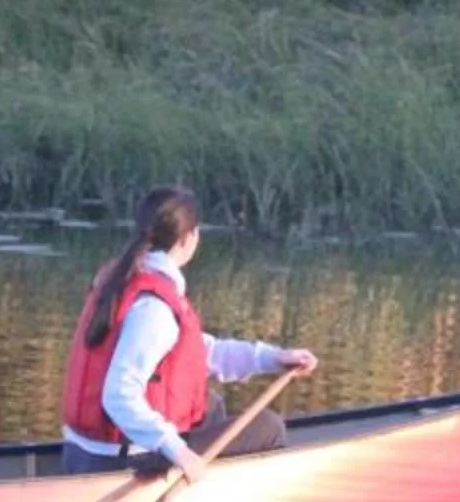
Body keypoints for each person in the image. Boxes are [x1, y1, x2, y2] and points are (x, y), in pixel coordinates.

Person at [60, 185, 316, 479]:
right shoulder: (153, 309)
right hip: (116, 462)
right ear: (188, 238)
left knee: (210, 404)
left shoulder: (126, 280)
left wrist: (274, 358)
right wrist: (177, 451)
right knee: (269, 428)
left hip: (82, 454)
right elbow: (118, 395)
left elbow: (201, 351)